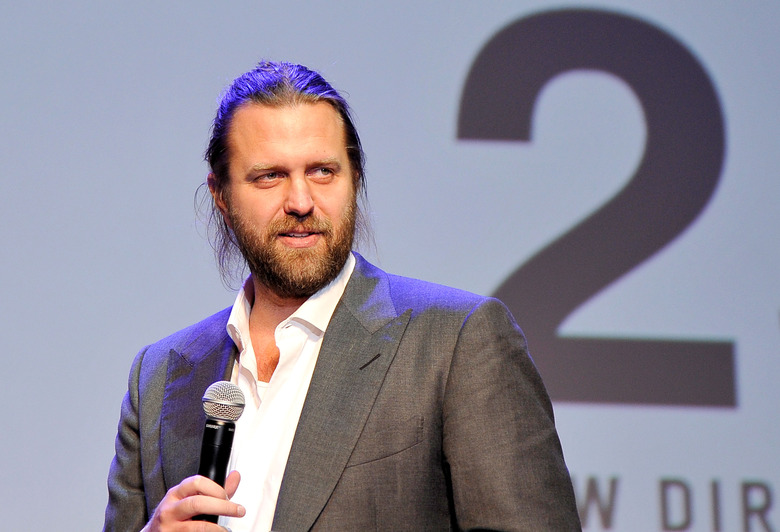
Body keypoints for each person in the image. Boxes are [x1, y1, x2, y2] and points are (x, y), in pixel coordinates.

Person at [104, 61, 581, 531]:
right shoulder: (159, 376)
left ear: (354, 179)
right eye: (269, 176)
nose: (301, 202)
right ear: (221, 196)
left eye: (322, 171)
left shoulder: (456, 342)